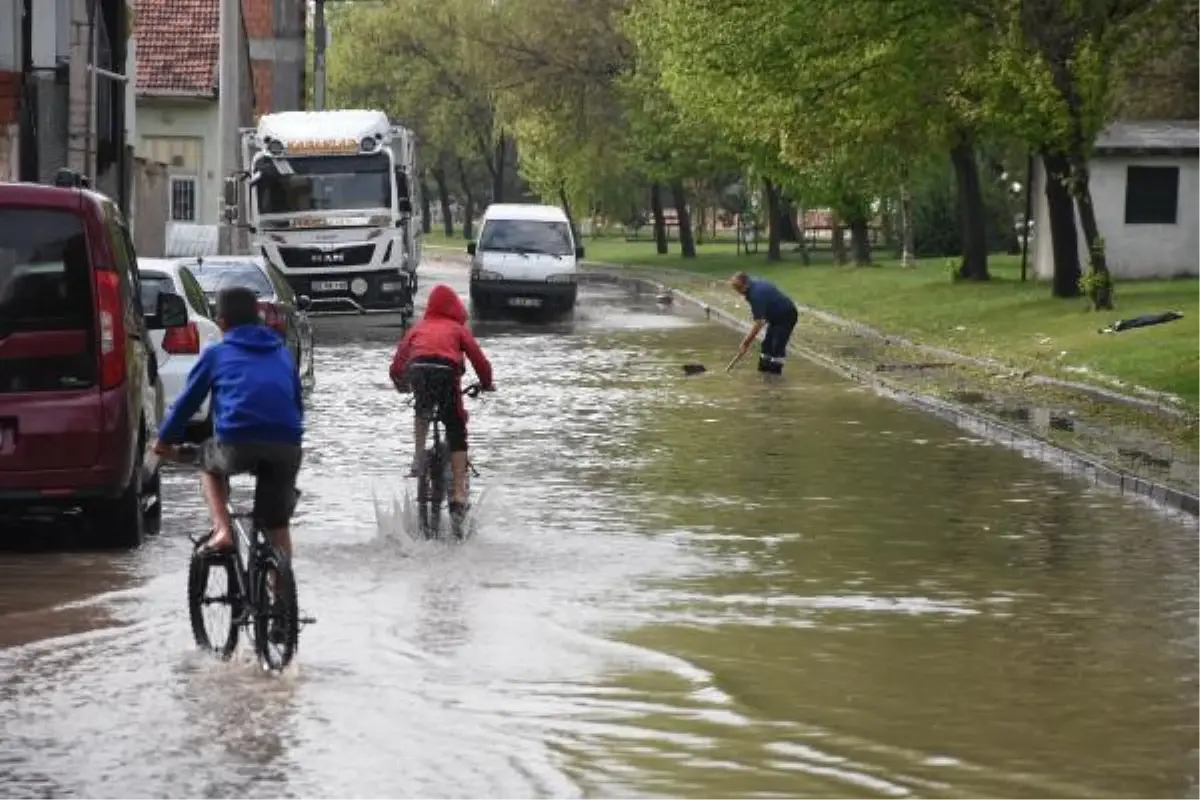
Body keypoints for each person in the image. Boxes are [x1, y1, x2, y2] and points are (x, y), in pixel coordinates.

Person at [151, 286, 304, 558]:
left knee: (208, 463)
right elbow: (297, 404)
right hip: (286, 444)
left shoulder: (216, 354)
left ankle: (222, 531)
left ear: (221, 323)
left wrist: (163, 442)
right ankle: (282, 594)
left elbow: (185, 405)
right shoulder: (281, 352)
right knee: (277, 525)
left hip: (238, 440)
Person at [389, 284, 494, 516]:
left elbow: (398, 364)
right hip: (446, 372)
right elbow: (479, 360)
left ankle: (418, 457)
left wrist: (401, 384)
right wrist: (486, 383)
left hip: (418, 369)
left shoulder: (418, 327)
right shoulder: (458, 329)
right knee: (456, 428)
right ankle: (458, 492)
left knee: (422, 409)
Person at [729, 271, 799, 374]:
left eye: (738, 289)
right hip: (774, 317)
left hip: (786, 316)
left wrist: (746, 343)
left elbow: (759, 323)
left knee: (777, 347)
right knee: (767, 345)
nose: (739, 293)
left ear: (745, 285)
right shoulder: (753, 284)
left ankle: (774, 379)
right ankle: (763, 373)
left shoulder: (755, 295)